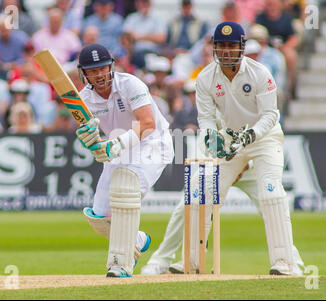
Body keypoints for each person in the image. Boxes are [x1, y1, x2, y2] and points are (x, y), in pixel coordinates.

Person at [172, 21, 302, 276]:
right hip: (231, 140)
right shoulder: (205, 78)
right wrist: (211, 138)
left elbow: (270, 115)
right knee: (203, 191)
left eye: (232, 46)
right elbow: (206, 119)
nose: (227, 51)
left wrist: (250, 135)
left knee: (271, 194)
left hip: (264, 140)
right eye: (222, 46)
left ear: (242, 48)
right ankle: (193, 261)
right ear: (214, 48)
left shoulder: (260, 73)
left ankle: (284, 262)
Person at [75, 43, 174, 277]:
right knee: (98, 217)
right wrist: (94, 146)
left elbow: (148, 124)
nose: (99, 74)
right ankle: (138, 238)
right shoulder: (83, 98)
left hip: (152, 144)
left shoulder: (130, 84)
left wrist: (115, 145)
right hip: (118, 148)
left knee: (125, 192)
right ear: (84, 73)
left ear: (111, 67)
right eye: (93, 70)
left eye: (102, 68)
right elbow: (90, 135)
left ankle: (121, 264)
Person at [140, 160, 304, 275]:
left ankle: (292, 261)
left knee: (271, 208)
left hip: (251, 169)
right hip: (220, 165)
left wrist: (245, 164)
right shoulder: (211, 110)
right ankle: (160, 261)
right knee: (187, 204)